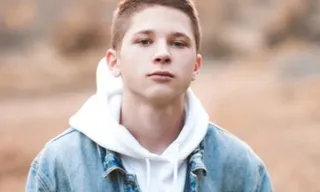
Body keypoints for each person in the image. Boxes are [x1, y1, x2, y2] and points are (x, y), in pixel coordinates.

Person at [26, 0, 273, 191]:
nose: (162, 54)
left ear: (196, 66)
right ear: (114, 62)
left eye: (178, 43)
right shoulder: (60, 164)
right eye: (144, 41)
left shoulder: (241, 167)